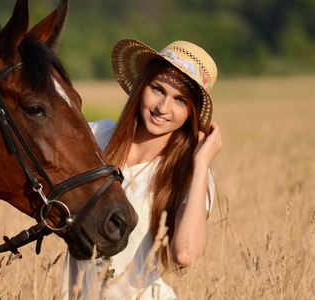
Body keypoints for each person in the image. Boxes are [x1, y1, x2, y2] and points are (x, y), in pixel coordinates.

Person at [61, 38, 222, 299]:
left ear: (192, 113)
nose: (162, 108)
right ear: (141, 86)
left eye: (180, 100)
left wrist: (202, 164)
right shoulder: (96, 137)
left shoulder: (190, 173)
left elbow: (185, 253)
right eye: (157, 89)